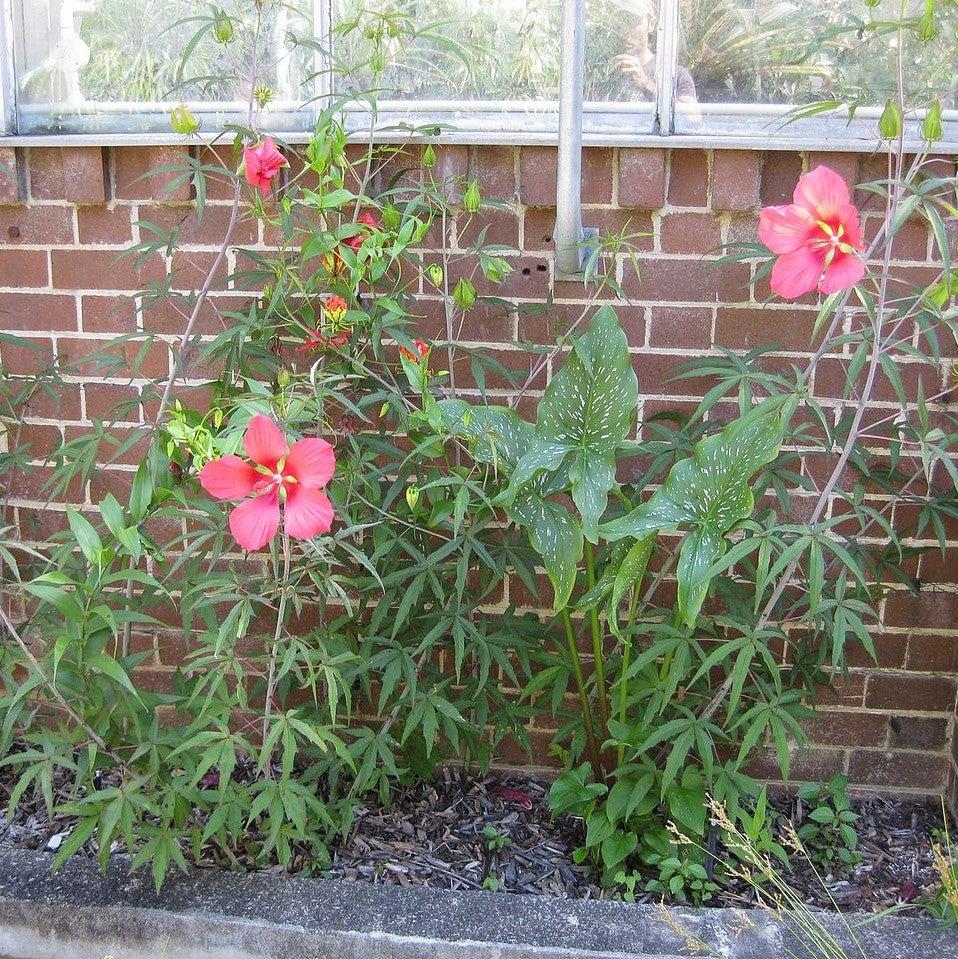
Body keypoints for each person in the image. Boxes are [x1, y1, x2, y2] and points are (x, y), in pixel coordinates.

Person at [614, 0, 700, 118]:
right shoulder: (604, 72)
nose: (626, 31)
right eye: (620, 22)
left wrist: (645, 82)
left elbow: (693, 117)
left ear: (652, 24)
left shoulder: (675, 74)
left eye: (633, 22)